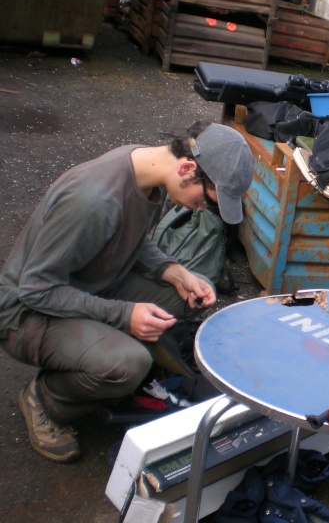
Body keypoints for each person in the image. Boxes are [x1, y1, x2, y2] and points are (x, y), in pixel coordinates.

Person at [0, 121, 254, 463]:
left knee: (193, 291)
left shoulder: (150, 171)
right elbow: (36, 289)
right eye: (206, 199)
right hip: (27, 314)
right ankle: (46, 398)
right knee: (128, 365)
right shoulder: (93, 201)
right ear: (187, 167)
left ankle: (102, 350)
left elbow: (133, 237)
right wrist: (123, 316)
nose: (203, 208)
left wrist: (172, 270)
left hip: (88, 284)